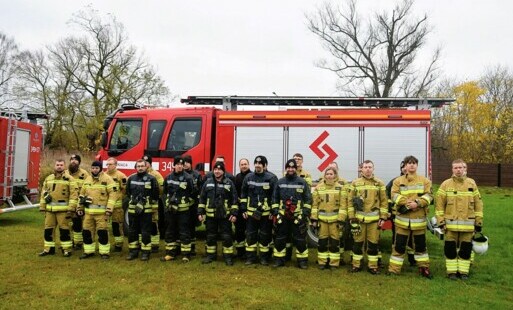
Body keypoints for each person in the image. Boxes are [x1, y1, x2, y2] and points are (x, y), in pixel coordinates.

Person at [435, 159, 483, 280]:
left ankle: (463, 272)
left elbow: (478, 204)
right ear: (452, 169)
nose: (458, 170)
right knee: (450, 249)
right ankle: (451, 272)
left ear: (465, 169)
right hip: (450, 226)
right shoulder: (445, 184)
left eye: (460, 168)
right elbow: (439, 205)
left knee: (465, 250)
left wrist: (478, 222)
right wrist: (441, 222)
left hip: (468, 226)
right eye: (455, 168)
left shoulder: (472, 184)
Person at [388, 155, 434, 278]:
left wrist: (417, 203)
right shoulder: (398, 181)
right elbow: (394, 195)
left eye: (414, 163)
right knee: (399, 246)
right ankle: (394, 269)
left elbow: (429, 196)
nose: (412, 165)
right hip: (402, 222)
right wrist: (407, 203)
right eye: (409, 163)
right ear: (405, 166)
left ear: (417, 165)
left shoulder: (425, 181)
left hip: (419, 221)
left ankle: (424, 268)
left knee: (420, 246)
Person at [347, 160, 388, 274]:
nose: (368, 169)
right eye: (365, 167)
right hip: (358, 219)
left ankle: (373, 266)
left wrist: (383, 218)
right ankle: (356, 265)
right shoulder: (355, 183)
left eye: (370, 167)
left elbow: (384, 202)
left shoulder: (379, 183)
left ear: (373, 169)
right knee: (357, 243)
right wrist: (351, 217)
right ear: (361, 169)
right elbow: (350, 201)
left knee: (373, 244)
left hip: (374, 220)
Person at [272, 159, 312, 269]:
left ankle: (302, 261)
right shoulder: (280, 182)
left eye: (293, 167)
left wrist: (304, 214)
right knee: (280, 238)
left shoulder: (302, 182)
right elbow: (274, 198)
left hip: (297, 216)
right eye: (288, 167)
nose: (290, 169)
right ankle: (279, 259)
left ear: (296, 169)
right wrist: (276, 213)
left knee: (300, 239)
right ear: (286, 169)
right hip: (282, 215)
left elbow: (308, 199)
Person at [198, 161, 239, 265]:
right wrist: (200, 213)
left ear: (223, 171)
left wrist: (234, 214)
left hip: (225, 216)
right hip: (211, 216)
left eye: (219, 169)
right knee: (210, 236)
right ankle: (210, 256)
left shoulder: (229, 183)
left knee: (227, 236)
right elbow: (202, 199)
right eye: (215, 169)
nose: (217, 171)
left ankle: (228, 257)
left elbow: (234, 200)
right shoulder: (208, 182)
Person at [240, 156, 278, 266]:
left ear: (265, 165)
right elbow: (243, 194)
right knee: (250, 235)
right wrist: (243, 209)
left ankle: (264, 258)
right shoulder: (248, 177)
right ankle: (250, 258)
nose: (257, 165)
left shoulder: (271, 178)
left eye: (260, 163)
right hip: (251, 214)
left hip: (266, 215)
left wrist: (273, 212)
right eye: (256, 163)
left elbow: (275, 196)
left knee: (265, 236)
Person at [77, 161, 118, 259]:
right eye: (93, 168)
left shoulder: (108, 179)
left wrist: (109, 209)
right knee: (87, 232)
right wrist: (79, 207)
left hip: (102, 213)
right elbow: (81, 195)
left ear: (100, 168)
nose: (94, 170)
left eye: (96, 168)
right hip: (88, 213)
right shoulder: (87, 180)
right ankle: (88, 251)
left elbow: (113, 195)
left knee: (102, 232)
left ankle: (104, 252)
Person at [38, 159, 78, 257]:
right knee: (48, 230)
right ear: (54, 166)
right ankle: (48, 249)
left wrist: (71, 209)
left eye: (61, 165)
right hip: (50, 210)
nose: (59, 166)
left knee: (64, 230)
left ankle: (66, 250)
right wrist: (42, 207)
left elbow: (74, 195)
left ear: (64, 166)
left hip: (63, 211)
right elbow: (43, 193)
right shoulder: (48, 178)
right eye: (57, 165)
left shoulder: (70, 179)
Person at [311, 167, 347, 269]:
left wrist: (341, 219)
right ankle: (322, 262)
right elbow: (314, 205)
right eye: (327, 174)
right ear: (324, 175)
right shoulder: (318, 188)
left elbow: (343, 206)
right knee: (322, 243)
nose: (329, 176)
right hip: (322, 221)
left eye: (331, 174)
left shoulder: (341, 188)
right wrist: (314, 219)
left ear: (335, 175)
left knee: (334, 243)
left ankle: (333, 263)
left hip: (335, 222)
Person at [161, 156, 195, 262]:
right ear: (174, 165)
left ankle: (186, 254)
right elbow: (165, 192)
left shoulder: (188, 178)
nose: (180, 166)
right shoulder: (168, 177)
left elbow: (193, 193)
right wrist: (168, 204)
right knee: (170, 231)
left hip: (184, 211)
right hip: (171, 211)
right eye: (178, 164)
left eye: (181, 164)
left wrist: (186, 203)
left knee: (184, 232)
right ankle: (171, 253)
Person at [125, 159, 160, 261]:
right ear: (136, 168)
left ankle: (145, 252)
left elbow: (155, 195)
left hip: (146, 211)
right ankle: (133, 252)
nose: (140, 168)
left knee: (145, 232)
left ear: (146, 167)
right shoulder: (131, 178)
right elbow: (128, 193)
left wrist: (145, 202)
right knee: (132, 231)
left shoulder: (152, 179)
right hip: (132, 210)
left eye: (142, 166)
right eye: (138, 166)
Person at [386, 161, 416, 266]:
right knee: (397, 238)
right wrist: (389, 212)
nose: (404, 168)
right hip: (398, 215)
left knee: (412, 239)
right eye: (403, 167)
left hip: (414, 215)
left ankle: (412, 259)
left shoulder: (418, 181)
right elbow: (388, 198)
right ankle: (396, 258)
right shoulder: (395, 181)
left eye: (406, 166)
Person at [65, 154, 89, 250]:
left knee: (77, 223)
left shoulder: (84, 174)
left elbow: (88, 187)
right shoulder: (64, 173)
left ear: (79, 162)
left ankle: (78, 243)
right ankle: (66, 242)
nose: (73, 161)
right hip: (66, 203)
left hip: (78, 203)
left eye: (76, 160)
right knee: (65, 223)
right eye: (72, 159)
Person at [142, 155, 164, 253]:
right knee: (143, 223)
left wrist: (154, 195)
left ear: (150, 163)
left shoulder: (156, 175)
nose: (145, 164)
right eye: (143, 162)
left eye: (146, 162)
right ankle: (143, 242)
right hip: (142, 203)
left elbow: (162, 189)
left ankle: (155, 245)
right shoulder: (139, 174)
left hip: (153, 204)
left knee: (153, 223)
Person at [105, 157, 127, 252]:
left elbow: (125, 189)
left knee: (116, 226)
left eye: (110, 164)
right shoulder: (104, 175)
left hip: (117, 207)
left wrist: (118, 197)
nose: (108, 166)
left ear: (115, 165)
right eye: (107, 164)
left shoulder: (121, 176)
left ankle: (119, 245)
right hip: (106, 206)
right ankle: (107, 244)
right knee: (106, 227)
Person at [183, 155, 203, 256]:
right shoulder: (180, 175)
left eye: (187, 162)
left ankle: (192, 248)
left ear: (191, 163)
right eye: (184, 162)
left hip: (193, 205)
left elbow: (201, 190)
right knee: (183, 226)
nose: (185, 164)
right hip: (182, 205)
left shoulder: (197, 175)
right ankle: (182, 247)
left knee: (191, 226)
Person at [234, 158, 251, 260]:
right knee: (239, 231)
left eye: (245, 164)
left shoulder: (252, 177)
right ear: (239, 166)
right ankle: (240, 252)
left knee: (249, 231)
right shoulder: (237, 177)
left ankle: (248, 253)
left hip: (250, 209)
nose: (244, 166)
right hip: (240, 208)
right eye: (242, 164)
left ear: (248, 165)